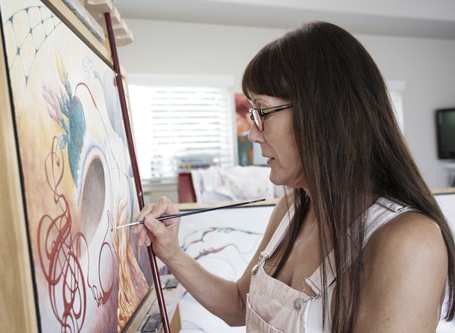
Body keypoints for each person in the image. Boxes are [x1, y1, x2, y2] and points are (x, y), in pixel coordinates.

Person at [133, 21, 455, 333]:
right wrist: (171, 252)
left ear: (322, 115)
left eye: (262, 111)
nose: (252, 135)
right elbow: (238, 306)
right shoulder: (291, 208)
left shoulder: (410, 242)